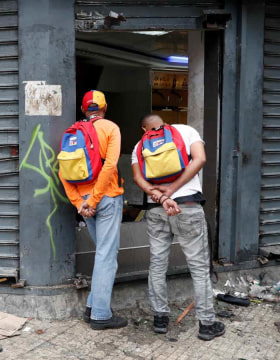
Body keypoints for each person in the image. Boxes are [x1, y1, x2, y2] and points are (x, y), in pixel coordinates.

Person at [131, 114, 224, 341]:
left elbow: (138, 179)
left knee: (158, 264)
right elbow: (200, 159)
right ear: (165, 123)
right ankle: (207, 324)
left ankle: (160, 319)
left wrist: (159, 195)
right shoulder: (186, 130)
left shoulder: (139, 145)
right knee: (199, 268)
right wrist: (172, 190)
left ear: (144, 129)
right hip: (187, 207)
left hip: (155, 209)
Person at [59, 90, 127, 330]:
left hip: (86, 201)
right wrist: (95, 199)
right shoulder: (110, 127)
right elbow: (110, 164)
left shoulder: (72, 132)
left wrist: (80, 202)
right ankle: (100, 315)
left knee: (103, 254)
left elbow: (63, 171)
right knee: (107, 256)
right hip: (106, 198)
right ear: (104, 108)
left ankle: (91, 307)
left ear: (83, 109)